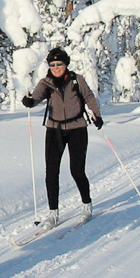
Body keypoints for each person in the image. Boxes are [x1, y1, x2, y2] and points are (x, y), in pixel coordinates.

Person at [21, 47, 104, 229]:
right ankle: (53, 213)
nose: (56, 67)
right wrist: (29, 101)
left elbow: (89, 97)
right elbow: (36, 97)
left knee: (77, 170)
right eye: (52, 64)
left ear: (66, 64)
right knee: (51, 172)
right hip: (54, 130)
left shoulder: (76, 80)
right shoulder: (46, 83)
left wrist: (96, 115)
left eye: (59, 64)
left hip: (77, 129)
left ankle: (86, 205)